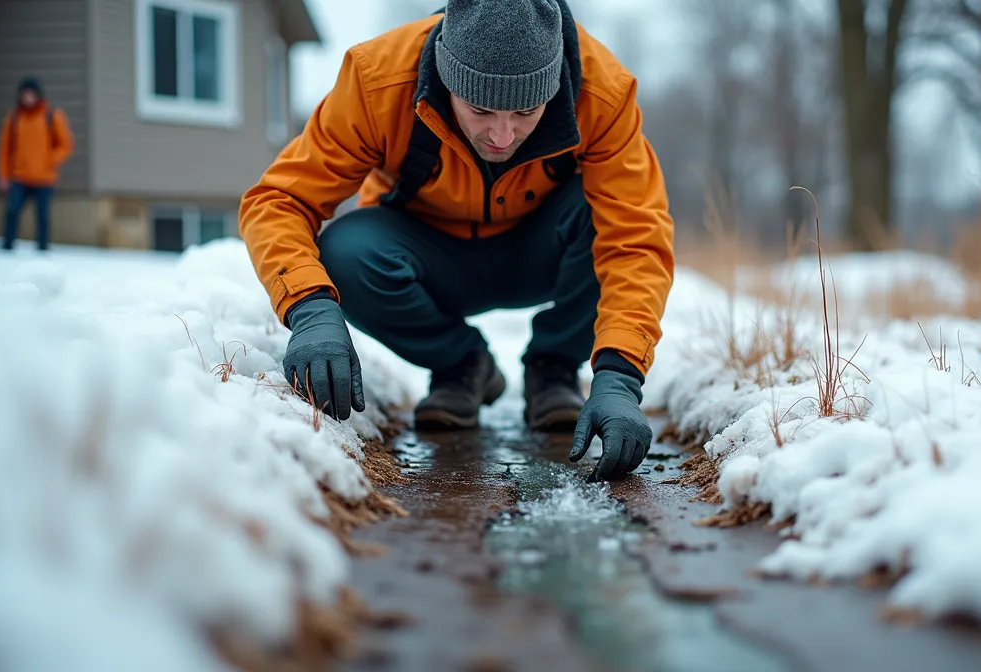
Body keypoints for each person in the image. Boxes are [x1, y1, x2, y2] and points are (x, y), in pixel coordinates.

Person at [237, 0, 675, 481]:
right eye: (480, 109)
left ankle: (553, 368)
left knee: (601, 215)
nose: (502, 135)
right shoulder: (377, 79)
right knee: (345, 251)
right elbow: (279, 200)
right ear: (448, 80)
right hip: (428, 258)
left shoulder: (603, 93)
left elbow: (636, 238)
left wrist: (619, 375)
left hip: (543, 254)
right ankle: (462, 364)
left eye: (526, 111)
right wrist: (310, 310)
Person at [0, 76, 74, 251]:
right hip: (19, 175)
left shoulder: (51, 115)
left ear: (38, 95)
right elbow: (5, 149)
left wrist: (50, 159)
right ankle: (7, 244)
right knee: (12, 210)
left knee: (42, 215)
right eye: (25, 94)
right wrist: (3, 174)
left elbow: (65, 144)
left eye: (31, 94)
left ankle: (43, 247)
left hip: (44, 177)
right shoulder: (14, 118)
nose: (28, 98)